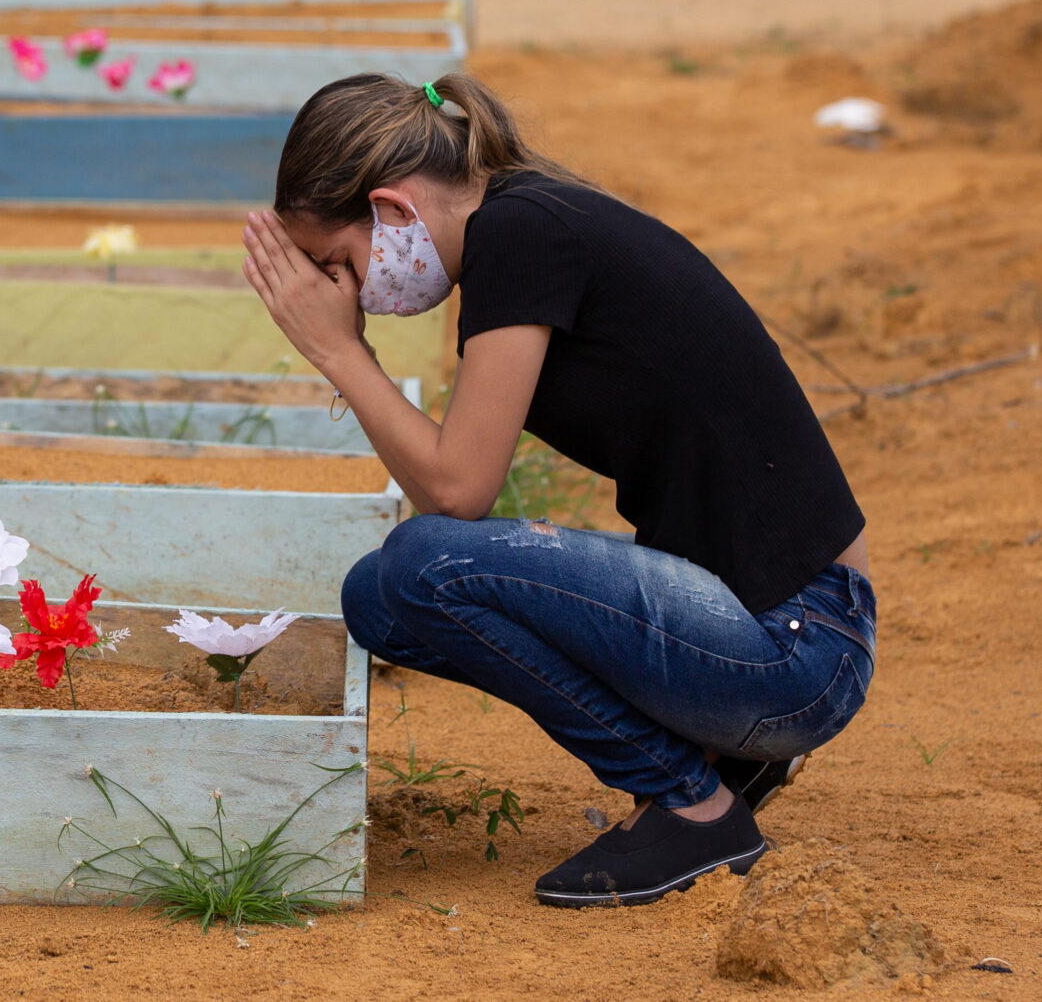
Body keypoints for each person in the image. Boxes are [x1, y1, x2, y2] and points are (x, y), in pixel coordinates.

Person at [240, 73, 872, 908]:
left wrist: (340, 353)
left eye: (337, 263)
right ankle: (729, 757)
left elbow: (458, 489)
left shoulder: (521, 235)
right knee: (379, 595)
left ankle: (695, 804)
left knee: (425, 561)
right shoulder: (525, 219)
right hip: (773, 630)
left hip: (798, 648)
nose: (345, 291)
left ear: (392, 211)